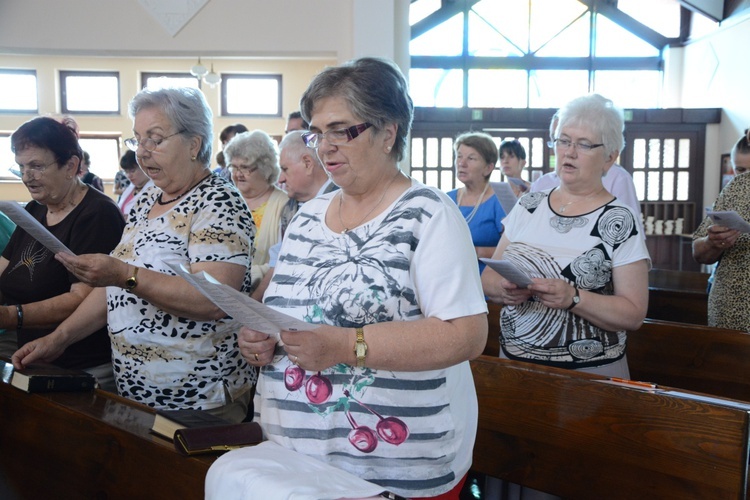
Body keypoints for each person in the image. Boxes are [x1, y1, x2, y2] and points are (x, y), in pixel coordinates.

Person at [207, 57, 487, 499]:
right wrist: (259, 335)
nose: (324, 147)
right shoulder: (308, 216)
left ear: (387, 132)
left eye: (341, 130)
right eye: (317, 133)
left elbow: (464, 336)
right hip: (294, 458)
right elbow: (285, 309)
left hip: (393, 467)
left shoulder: (429, 214)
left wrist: (343, 346)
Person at [12, 87, 257, 422]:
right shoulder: (146, 198)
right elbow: (114, 288)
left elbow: (214, 300)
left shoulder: (218, 202)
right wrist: (59, 338)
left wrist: (125, 274)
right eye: (137, 140)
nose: (142, 153)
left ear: (194, 144)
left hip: (199, 395)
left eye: (154, 140)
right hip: (137, 391)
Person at [482, 93, 650, 376]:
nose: (569, 152)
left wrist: (574, 298)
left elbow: (633, 313)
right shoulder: (529, 204)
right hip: (515, 365)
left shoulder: (619, 219)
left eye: (584, 144)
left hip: (589, 376)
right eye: (563, 140)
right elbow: (488, 279)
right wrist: (505, 290)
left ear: (610, 157)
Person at [0, 116, 125, 390]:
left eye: (36, 166)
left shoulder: (97, 214)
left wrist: (12, 316)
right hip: (33, 356)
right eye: (20, 167)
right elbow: (4, 268)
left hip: (79, 367)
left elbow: (81, 297)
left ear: (70, 166)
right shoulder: (35, 210)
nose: (26, 177)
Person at [249, 130, 337, 301]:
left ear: (307, 163)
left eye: (285, 169)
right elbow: (279, 262)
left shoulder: (341, 200)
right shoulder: (289, 209)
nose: (280, 179)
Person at [692, 129, 750, 331]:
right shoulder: (735, 188)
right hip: (728, 312)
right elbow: (699, 251)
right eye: (740, 169)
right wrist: (711, 243)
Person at [223, 130, 289, 293]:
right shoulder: (225, 201)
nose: (238, 174)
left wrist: (239, 276)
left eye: (245, 168)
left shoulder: (285, 205)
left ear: (265, 168)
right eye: (234, 167)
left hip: (259, 297)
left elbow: (283, 261)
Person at [447, 131, 506, 274]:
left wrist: (476, 252)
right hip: (451, 277)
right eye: (459, 156)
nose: (462, 163)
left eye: (471, 158)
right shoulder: (447, 198)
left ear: (488, 168)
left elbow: (513, 251)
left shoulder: (499, 201)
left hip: (486, 283)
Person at [116, 149, 154, 216]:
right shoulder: (130, 188)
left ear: (144, 167)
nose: (129, 175)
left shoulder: (155, 190)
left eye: (132, 171)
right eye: (126, 172)